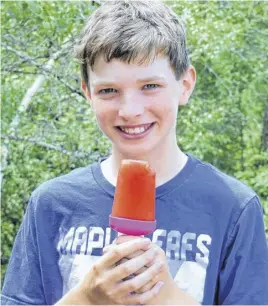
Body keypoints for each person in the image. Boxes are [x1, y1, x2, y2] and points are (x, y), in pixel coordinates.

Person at [1, 1, 268, 305]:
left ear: (185, 85)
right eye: (108, 91)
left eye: (150, 85)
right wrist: (88, 298)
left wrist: (167, 296)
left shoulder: (233, 207)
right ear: (88, 93)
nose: (130, 110)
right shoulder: (51, 204)